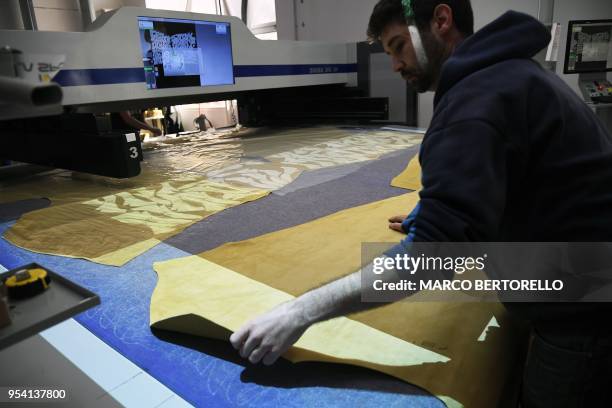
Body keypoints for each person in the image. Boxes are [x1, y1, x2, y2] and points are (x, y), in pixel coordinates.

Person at [229, 1, 612, 406]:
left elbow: (433, 255)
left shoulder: (477, 102)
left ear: (441, 20)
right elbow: (515, 175)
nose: (395, 64)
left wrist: (298, 313)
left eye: (398, 46)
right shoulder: (512, 75)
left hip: (582, 314)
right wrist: (437, 212)